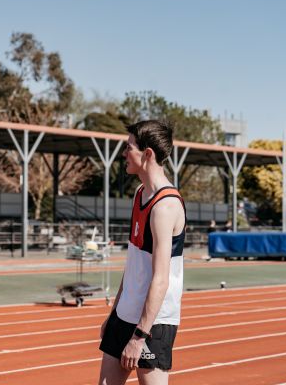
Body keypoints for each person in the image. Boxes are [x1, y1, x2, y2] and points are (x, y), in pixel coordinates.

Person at [98, 120, 186, 385]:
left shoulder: (165, 206)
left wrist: (139, 336)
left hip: (153, 323)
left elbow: (161, 278)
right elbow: (133, 264)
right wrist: (114, 313)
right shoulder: (140, 194)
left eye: (129, 148)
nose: (124, 154)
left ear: (147, 154)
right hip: (125, 314)